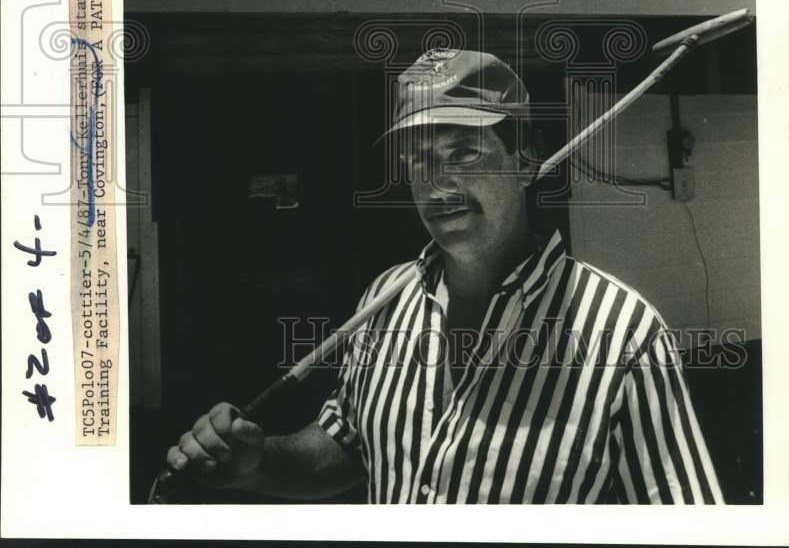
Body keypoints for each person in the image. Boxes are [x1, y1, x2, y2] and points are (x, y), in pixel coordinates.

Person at [164, 49, 723, 504]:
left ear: (525, 161)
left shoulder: (625, 332)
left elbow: (688, 522)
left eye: (464, 151)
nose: (436, 181)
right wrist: (259, 463)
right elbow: (347, 447)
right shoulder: (384, 300)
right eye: (417, 157)